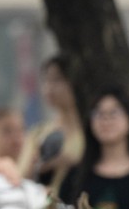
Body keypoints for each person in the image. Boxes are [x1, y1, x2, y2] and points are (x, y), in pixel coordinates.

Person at [20, 56, 84, 193]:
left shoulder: (92, 132)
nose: (49, 87)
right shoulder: (38, 133)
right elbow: (21, 178)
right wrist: (40, 167)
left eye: (57, 80)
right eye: (46, 80)